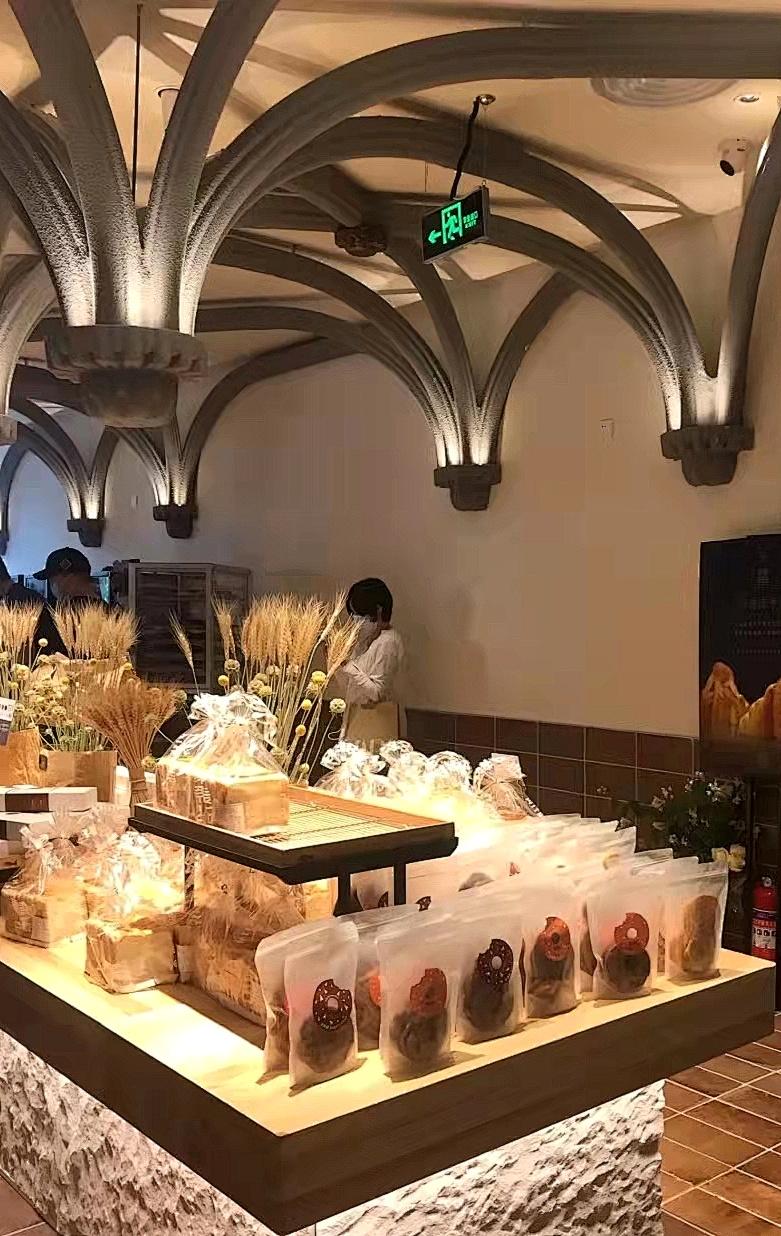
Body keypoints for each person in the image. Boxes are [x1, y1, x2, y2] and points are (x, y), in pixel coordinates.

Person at [330, 578, 405, 749]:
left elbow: (376, 693)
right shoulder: (366, 642)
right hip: (356, 725)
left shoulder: (388, 642)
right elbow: (350, 688)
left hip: (375, 731)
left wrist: (348, 666)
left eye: (360, 615)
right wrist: (337, 664)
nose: (356, 621)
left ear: (378, 610)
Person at [31, 547, 106, 655]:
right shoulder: (113, 611)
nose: (51, 584)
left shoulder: (51, 615)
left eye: (52, 579)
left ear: (65, 577)